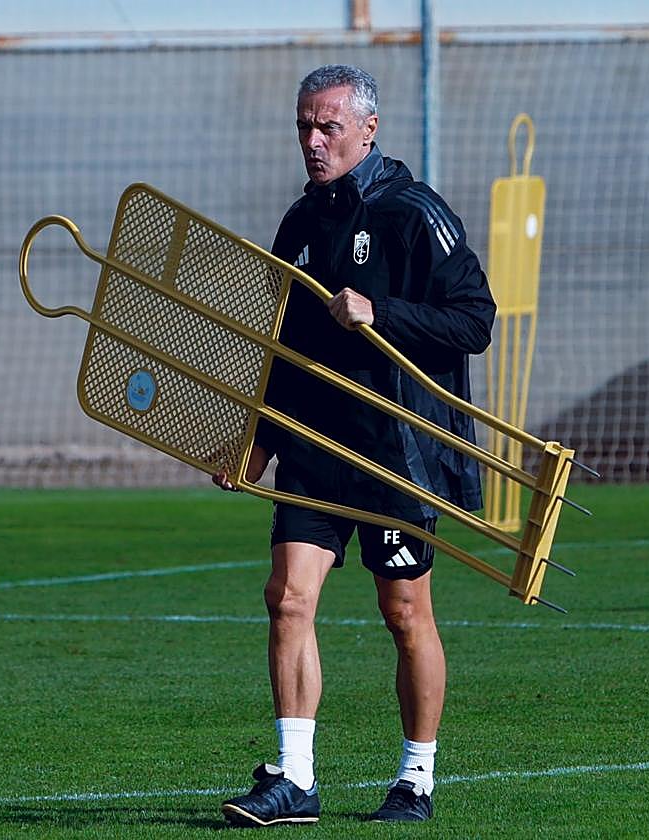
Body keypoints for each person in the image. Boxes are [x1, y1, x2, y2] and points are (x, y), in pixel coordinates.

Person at [212, 64, 495, 826]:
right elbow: (285, 349)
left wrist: (384, 313)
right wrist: (258, 443)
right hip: (315, 446)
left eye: (328, 126)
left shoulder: (415, 213)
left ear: (368, 129)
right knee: (287, 599)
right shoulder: (300, 222)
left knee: (404, 613)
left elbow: (475, 319)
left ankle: (415, 778)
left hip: (397, 451)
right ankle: (294, 779)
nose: (312, 140)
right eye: (304, 125)